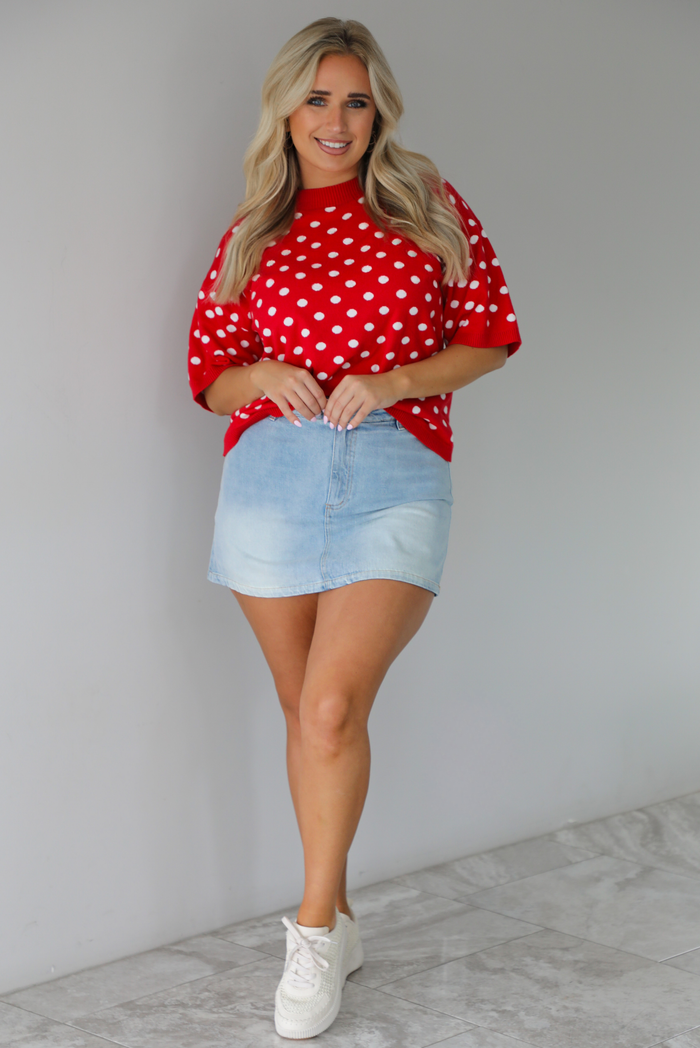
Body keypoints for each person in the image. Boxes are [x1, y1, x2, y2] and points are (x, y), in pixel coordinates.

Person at [187, 16, 521, 1039]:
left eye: (357, 101)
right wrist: (262, 374)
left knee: (331, 710)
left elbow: (491, 335)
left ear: (380, 112)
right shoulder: (254, 228)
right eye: (318, 99)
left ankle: (312, 930)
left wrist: (395, 381)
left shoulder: (425, 201)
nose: (337, 120)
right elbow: (208, 376)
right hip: (270, 479)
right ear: (286, 110)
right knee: (305, 714)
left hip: (394, 469)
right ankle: (337, 917)